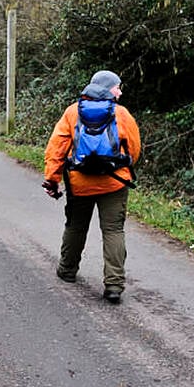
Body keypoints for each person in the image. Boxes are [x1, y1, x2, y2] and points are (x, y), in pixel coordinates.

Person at [42, 70, 141, 304]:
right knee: (113, 231)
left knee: (76, 226)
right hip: (114, 182)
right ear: (108, 88)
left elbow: (56, 149)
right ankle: (114, 286)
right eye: (118, 87)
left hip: (80, 182)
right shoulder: (122, 113)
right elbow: (134, 149)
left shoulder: (73, 111)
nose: (121, 90)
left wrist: (52, 179)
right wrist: (120, 167)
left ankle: (67, 270)